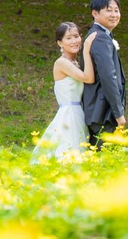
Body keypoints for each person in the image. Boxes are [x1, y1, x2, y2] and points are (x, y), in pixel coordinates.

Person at [31, 22, 97, 162]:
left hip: (79, 113)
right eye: (69, 38)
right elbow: (89, 78)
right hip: (69, 115)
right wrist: (86, 50)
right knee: (69, 155)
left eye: (77, 36)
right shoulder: (61, 63)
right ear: (60, 43)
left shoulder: (74, 62)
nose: (74, 41)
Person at [82, 0, 126, 150]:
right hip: (103, 114)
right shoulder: (100, 37)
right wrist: (119, 113)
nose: (114, 14)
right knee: (106, 162)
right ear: (95, 13)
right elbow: (108, 77)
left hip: (100, 113)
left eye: (116, 10)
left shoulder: (100, 35)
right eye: (109, 10)